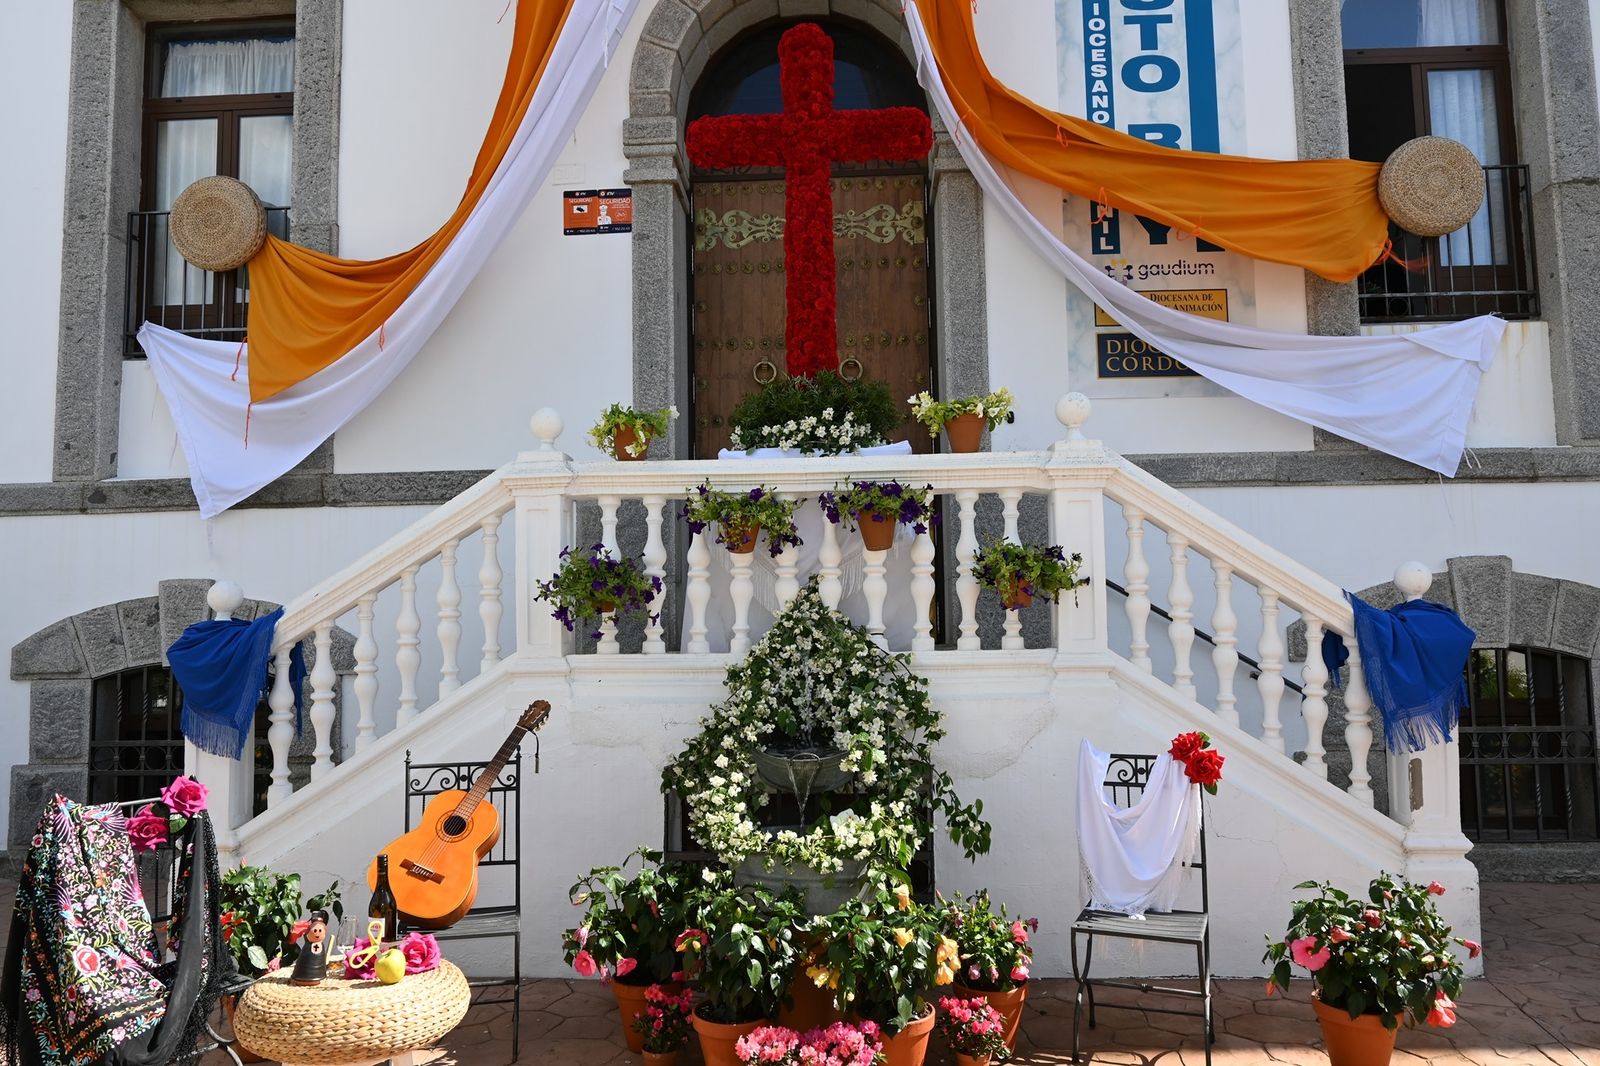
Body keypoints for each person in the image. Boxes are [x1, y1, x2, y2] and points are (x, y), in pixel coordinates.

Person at [290, 910, 331, 985]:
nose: (317, 933)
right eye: (315, 930)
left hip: (318, 976)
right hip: (301, 974)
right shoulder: (308, 947)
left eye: (320, 931)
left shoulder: (318, 945)